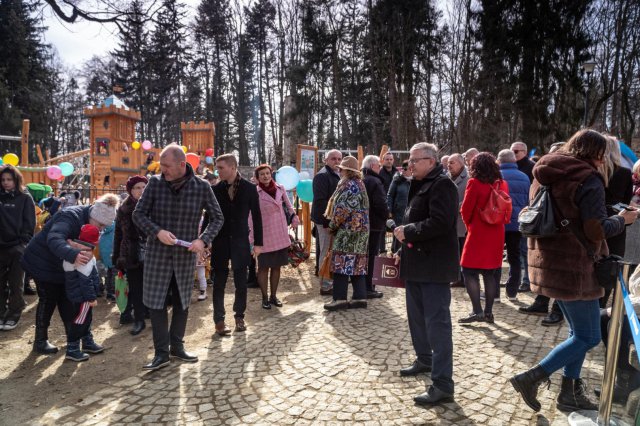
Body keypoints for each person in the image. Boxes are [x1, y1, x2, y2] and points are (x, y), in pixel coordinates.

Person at [510, 129, 637, 413]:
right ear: (598, 153)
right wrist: (622, 219)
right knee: (589, 336)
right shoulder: (587, 177)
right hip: (577, 267)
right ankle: (532, 377)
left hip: (549, 263)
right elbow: (595, 230)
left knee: (577, 332)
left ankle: (570, 392)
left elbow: (565, 214)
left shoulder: (544, 173)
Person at [133, 144, 224, 371]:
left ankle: (177, 346)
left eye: (166, 165)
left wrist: (203, 240)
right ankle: (161, 353)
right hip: (157, 255)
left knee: (183, 302)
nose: (162, 169)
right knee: (156, 303)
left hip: (184, 257)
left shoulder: (202, 187)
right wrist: (157, 231)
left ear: (182, 164)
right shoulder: (154, 184)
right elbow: (138, 214)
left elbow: (217, 218)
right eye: (161, 165)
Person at [393, 142, 459, 405]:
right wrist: (402, 249)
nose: (410, 164)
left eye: (415, 160)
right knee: (416, 319)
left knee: (437, 326)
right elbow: (414, 217)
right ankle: (424, 359)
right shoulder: (419, 184)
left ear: (431, 161)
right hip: (416, 265)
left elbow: (441, 223)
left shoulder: (443, 185)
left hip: (434, 269)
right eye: (410, 160)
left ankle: (443, 383)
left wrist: (408, 232)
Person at [22, 193, 119, 355]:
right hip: (42, 261)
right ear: (94, 215)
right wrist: (73, 254)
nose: (101, 230)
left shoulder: (91, 221)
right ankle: (40, 341)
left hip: (63, 264)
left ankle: (75, 339)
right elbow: (54, 238)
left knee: (68, 300)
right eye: (100, 225)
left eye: (104, 227)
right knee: (49, 299)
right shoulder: (69, 216)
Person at [210, 154, 262, 336]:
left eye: (221, 167)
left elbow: (256, 216)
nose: (218, 171)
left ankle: (239, 316)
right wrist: (206, 240)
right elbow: (209, 217)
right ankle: (219, 320)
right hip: (220, 242)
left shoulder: (249, 189)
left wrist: (258, 243)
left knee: (241, 283)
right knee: (219, 284)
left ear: (232, 167)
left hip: (240, 242)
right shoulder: (215, 189)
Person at [518, 142, 565, 326]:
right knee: (544, 267)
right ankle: (541, 302)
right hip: (542, 226)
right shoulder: (542, 172)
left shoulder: (567, 175)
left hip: (560, 229)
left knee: (561, 273)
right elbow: (535, 196)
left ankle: (557, 310)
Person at [458, 152, 509, 324]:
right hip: (497, 231)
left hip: (478, 231)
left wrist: (469, 226)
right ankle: (488, 313)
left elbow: (465, 210)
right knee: (490, 272)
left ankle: (477, 311)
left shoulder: (474, 183)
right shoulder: (502, 184)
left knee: (467, 270)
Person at [323, 156, 369, 311]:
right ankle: (360, 297)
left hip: (348, 232)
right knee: (358, 263)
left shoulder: (348, 185)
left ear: (346, 171)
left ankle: (339, 299)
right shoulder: (359, 184)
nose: (339, 170)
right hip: (361, 232)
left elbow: (342, 210)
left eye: (341, 169)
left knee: (341, 264)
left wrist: (332, 226)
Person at [254, 164, 299, 309]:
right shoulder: (255, 192)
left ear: (271, 174)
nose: (265, 176)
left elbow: (289, 205)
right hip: (264, 235)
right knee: (263, 268)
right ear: (257, 177)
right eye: (262, 174)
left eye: (267, 173)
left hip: (279, 232)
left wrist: (294, 217)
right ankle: (264, 298)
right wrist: (251, 236)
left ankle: (273, 296)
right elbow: (250, 215)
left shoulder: (280, 188)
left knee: (277, 267)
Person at [0, 165, 35, 330]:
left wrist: (22, 243)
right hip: (0, 247)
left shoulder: (25, 198)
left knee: (16, 284)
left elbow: (30, 224)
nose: (6, 183)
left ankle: (14, 313)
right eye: (3, 180)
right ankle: (1, 313)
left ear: (16, 180)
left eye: (9, 179)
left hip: (17, 247)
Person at [113, 175, 149, 336]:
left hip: (152, 252)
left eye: (144, 187)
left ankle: (152, 315)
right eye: (137, 188)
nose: (141, 191)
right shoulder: (124, 208)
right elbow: (118, 234)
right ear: (130, 190)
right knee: (135, 287)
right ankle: (139, 320)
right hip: (132, 253)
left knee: (151, 286)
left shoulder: (153, 204)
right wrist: (117, 256)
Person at [62, 224, 102, 361]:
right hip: (82, 297)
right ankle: (72, 348)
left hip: (79, 295)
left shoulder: (75, 251)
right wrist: (91, 298)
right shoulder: (84, 256)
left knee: (86, 319)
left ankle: (87, 341)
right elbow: (85, 281)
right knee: (80, 321)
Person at [496, 149, 530, 301]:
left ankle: (494, 293)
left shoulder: (496, 177)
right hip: (517, 223)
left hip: (498, 223)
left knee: (496, 257)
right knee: (514, 257)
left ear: (499, 160)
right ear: (514, 161)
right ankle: (512, 292)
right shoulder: (524, 177)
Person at [311, 149, 342, 295]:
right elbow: (321, 201)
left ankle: (330, 280)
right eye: (333, 159)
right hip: (325, 220)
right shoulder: (322, 176)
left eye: (339, 159)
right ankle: (325, 284)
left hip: (333, 220)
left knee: (331, 251)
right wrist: (328, 222)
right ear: (326, 160)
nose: (337, 161)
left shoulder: (337, 174)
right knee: (325, 251)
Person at [361, 155, 389, 299]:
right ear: (372, 166)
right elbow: (380, 204)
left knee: (364, 256)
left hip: (363, 224)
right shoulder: (375, 181)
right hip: (374, 224)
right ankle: (369, 287)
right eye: (379, 165)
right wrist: (386, 216)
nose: (380, 167)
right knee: (372, 256)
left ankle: (362, 286)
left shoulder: (362, 180)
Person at [447, 153, 469, 288]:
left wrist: (451, 207)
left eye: (452, 163)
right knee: (453, 252)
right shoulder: (446, 178)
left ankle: (463, 278)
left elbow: (468, 201)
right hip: (449, 223)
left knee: (462, 252)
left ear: (461, 163)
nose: (449, 165)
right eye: (448, 163)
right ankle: (456, 276)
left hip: (462, 223)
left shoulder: (468, 179)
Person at [387, 159, 411, 252]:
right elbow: (390, 195)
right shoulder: (397, 179)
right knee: (398, 236)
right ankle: (396, 254)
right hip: (399, 213)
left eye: (407, 168)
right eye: (404, 168)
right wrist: (389, 210)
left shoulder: (417, 180)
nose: (405, 170)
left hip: (411, 212)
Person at [97, 222, 115, 299]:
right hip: (114, 258)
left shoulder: (103, 233)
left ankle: (109, 292)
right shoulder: (115, 229)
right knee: (113, 275)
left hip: (106, 259)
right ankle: (112, 293)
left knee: (109, 275)